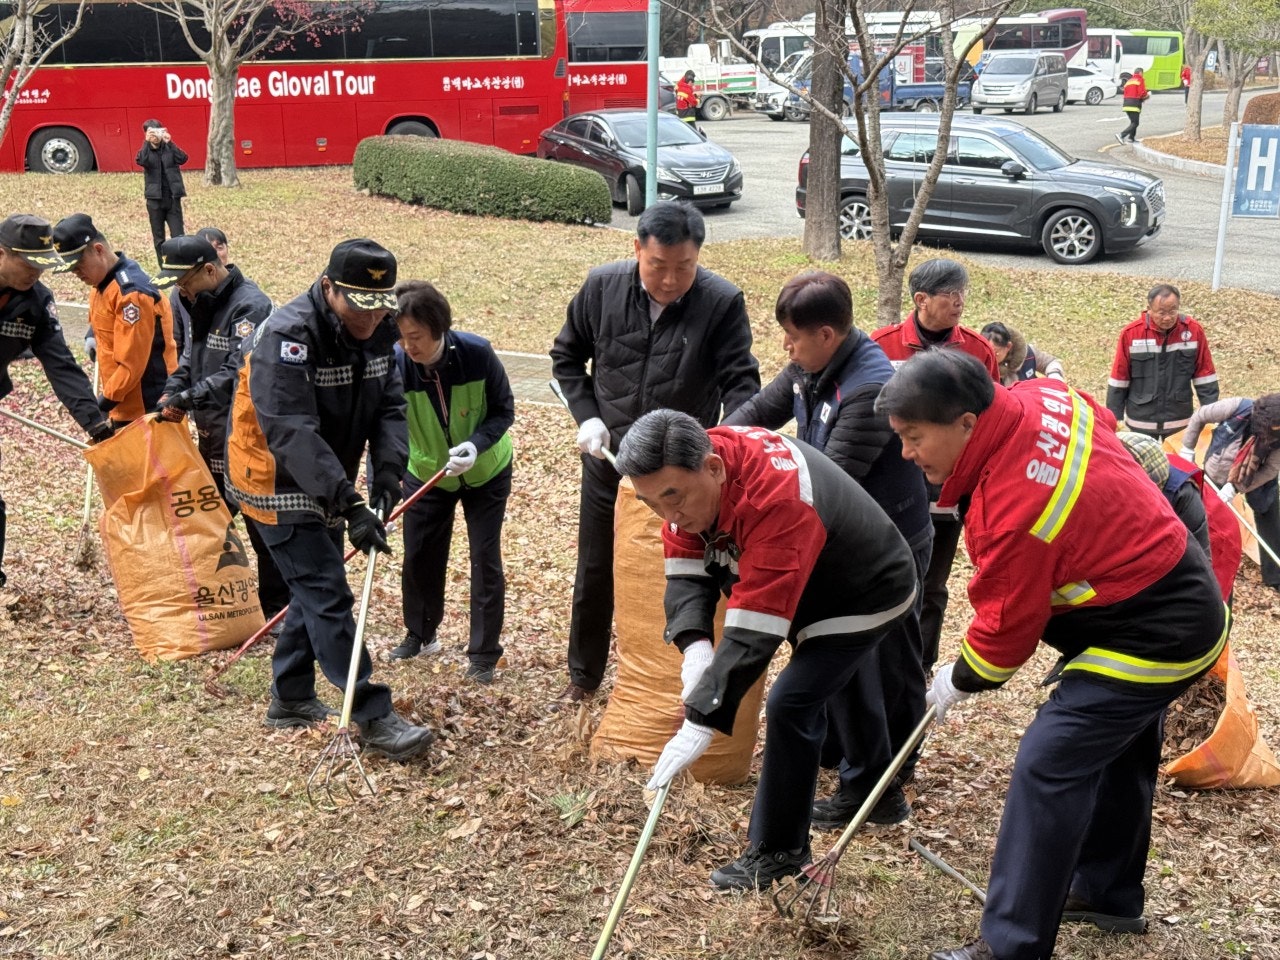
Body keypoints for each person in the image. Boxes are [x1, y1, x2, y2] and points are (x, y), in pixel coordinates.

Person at [874, 351, 1226, 960]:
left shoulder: (1013, 509)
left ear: (964, 422)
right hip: (1172, 575)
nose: (907, 453)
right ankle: (1107, 891)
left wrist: (957, 680)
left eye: (913, 437)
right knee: (1116, 749)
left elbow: (1005, 634)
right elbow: (1104, 427)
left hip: (1154, 631)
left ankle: (1011, 946)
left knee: (1049, 761)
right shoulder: (1043, 396)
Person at [616, 409, 917, 891]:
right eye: (652, 505)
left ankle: (780, 850)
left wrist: (702, 716)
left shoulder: (778, 498)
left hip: (864, 586)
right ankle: (874, 794)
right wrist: (695, 649)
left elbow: (755, 628)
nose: (669, 517)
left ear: (713, 467)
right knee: (837, 682)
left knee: (793, 701)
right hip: (813, 575)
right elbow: (686, 572)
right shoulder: (690, 479)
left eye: (674, 498)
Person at [722, 271, 931, 826]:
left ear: (828, 334)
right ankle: (849, 758)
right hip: (843, 544)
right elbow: (755, 416)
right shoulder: (807, 365)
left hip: (888, 546)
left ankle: (887, 779)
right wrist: (707, 452)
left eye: (793, 337)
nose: (785, 349)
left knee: (884, 663)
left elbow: (830, 479)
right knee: (851, 665)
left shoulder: (868, 389)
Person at [224, 238, 433, 759]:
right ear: (327, 288)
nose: (369, 319)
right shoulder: (288, 336)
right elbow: (289, 428)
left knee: (311, 589)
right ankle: (371, 714)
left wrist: (385, 480)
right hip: (271, 476)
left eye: (378, 306)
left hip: (326, 476)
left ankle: (291, 698)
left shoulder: (381, 329)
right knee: (326, 591)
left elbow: (389, 407)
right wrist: (347, 502)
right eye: (358, 305)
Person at [549, 202, 759, 708]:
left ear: (699, 257)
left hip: (682, 472)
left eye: (684, 267)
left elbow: (743, 385)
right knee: (596, 564)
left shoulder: (721, 301)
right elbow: (566, 358)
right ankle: (584, 673)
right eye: (658, 265)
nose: (670, 280)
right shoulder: (602, 287)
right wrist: (587, 416)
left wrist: (718, 450)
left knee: (690, 571)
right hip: (611, 460)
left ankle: (684, 678)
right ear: (637, 249)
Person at [870, 258, 999, 675]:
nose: (960, 302)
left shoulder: (978, 351)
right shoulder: (882, 345)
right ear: (921, 299)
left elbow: (993, 421)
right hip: (890, 495)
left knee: (933, 586)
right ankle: (877, 662)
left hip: (949, 495)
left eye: (963, 293)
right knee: (885, 578)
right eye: (950, 295)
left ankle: (919, 667)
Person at [152, 235, 288, 621]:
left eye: (184, 281)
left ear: (209, 270)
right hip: (211, 436)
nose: (180, 290)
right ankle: (213, 603)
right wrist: (172, 393)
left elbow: (238, 370)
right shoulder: (195, 300)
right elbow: (191, 359)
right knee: (208, 522)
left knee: (262, 528)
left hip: (248, 438)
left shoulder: (251, 306)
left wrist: (190, 397)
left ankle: (277, 610)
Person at [386, 280, 514, 684]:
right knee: (419, 554)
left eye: (416, 337)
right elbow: (386, 427)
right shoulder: (395, 364)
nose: (409, 346)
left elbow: (503, 411)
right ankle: (420, 634)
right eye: (402, 337)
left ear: (439, 327)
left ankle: (483, 654)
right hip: (425, 472)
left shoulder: (477, 354)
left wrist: (476, 446)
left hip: (486, 471)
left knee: (484, 558)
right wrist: (384, 485)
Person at [0, 214, 113, 588]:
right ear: (2, 254)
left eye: (43, 264)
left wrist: (97, 424)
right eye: (30, 263)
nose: (38, 272)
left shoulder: (36, 301)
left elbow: (61, 365)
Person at [52, 213, 177, 430]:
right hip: (122, 405)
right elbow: (103, 321)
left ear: (99, 250)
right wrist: (92, 336)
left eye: (78, 265)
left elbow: (132, 364)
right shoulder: (100, 284)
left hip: (148, 409)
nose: (75, 273)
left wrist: (102, 405)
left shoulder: (132, 294)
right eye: (70, 268)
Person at [1118, 431, 1242, 601]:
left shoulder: (1181, 495)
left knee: (1211, 599)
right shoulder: (1115, 464)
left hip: (1216, 533)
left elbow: (1200, 569)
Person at [1181, 394, 1280, 592]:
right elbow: (1200, 416)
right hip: (1218, 470)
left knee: (1269, 513)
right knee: (1209, 517)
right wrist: (1187, 448)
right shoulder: (1237, 408)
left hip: (1258, 477)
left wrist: (1237, 487)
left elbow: (1270, 469)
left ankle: (1274, 576)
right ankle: (1203, 564)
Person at [1105, 282, 1218, 440]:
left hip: (1180, 422)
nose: (1167, 317)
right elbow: (1119, 380)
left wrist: (1212, 417)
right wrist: (1114, 421)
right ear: (1149, 309)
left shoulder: (1193, 331)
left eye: (1173, 311)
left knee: (1179, 465)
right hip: (1140, 423)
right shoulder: (1131, 334)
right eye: (1161, 312)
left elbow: (1205, 377)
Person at [136, 119, 188, 262]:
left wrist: (169, 142)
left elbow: (183, 158)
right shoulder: (146, 150)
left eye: (157, 131)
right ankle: (163, 266)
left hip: (172, 198)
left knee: (178, 236)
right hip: (154, 201)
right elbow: (141, 160)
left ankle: (180, 264)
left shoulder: (168, 148)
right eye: (151, 133)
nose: (155, 136)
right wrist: (147, 143)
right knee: (159, 238)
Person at [979, 321, 1065, 386]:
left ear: (1008, 347)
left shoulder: (1028, 354)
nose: (989, 357)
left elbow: (1050, 363)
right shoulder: (977, 366)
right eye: (985, 351)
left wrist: (1055, 378)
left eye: (995, 353)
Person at [1117, 67, 1149, 143]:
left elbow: (1125, 92)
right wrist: (1147, 95)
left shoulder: (1129, 81)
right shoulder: (1140, 80)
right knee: (1135, 123)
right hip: (1135, 103)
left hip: (1126, 103)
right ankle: (1121, 135)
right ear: (1140, 73)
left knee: (1133, 122)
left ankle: (1131, 138)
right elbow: (1142, 92)